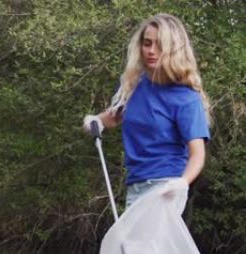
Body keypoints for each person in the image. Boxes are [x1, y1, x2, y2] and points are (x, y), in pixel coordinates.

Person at [83, 13, 210, 209]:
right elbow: (114, 117)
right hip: (136, 185)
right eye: (147, 43)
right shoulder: (134, 86)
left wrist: (182, 183)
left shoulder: (185, 97)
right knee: (132, 241)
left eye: (160, 45)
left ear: (173, 49)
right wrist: (96, 120)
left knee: (141, 241)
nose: (151, 51)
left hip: (167, 187)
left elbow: (197, 154)